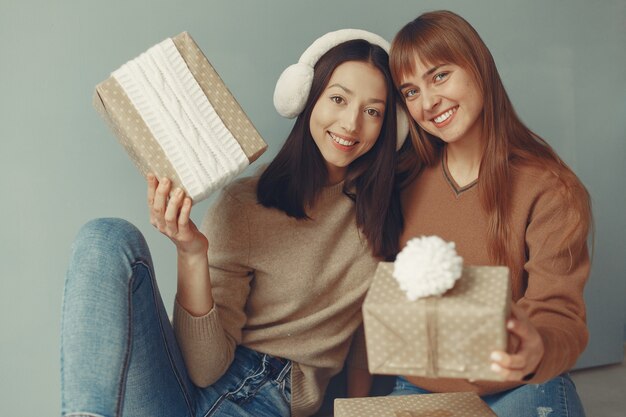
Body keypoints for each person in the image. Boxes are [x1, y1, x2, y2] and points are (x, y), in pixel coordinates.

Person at [60, 29, 409, 417]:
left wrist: (358, 411)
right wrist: (192, 252)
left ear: (389, 125)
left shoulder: (386, 215)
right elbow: (205, 370)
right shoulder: (245, 205)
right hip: (185, 388)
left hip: (271, 396)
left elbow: (363, 327)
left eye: (373, 111)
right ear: (306, 97)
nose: (351, 123)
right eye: (339, 99)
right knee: (106, 236)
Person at [387, 10, 593, 417]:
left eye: (440, 76)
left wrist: (537, 346)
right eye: (410, 92)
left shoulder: (551, 189)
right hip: (419, 386)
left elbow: (561, 315)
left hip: (520, 385)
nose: (428, 103)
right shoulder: (402, 182)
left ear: (478, 66)